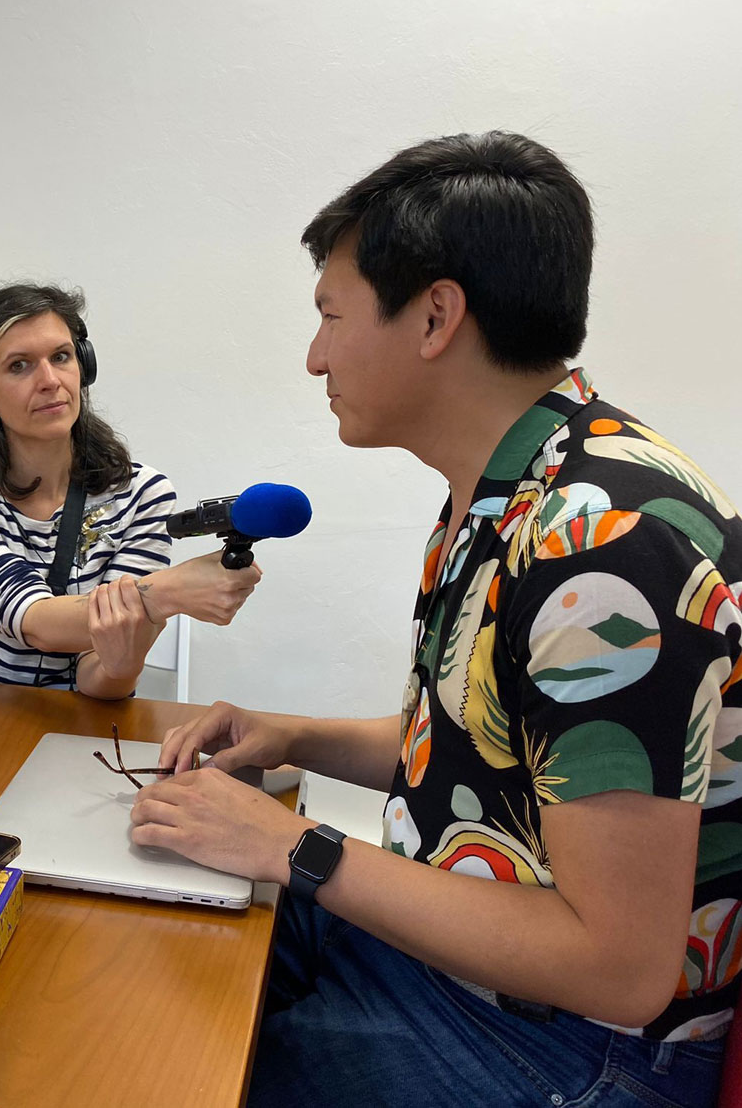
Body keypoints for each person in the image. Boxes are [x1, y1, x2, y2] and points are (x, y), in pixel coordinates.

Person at [131, 131, 740, 1107]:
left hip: (566, 1047)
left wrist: (296, 847)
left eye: (332, 315)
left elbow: (615, 965)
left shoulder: (602, 552)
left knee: (153, 1073)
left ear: (435, 317)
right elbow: (481, 757)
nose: (314, 355)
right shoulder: (513, 486)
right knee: (135, 946)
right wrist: (293, 737)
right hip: (458, 967)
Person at [0, 283, 262, 698]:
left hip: (94, 725)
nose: (50, 381)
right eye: (19, 366)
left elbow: (100, 677)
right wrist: (170, 592)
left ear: (83, 365)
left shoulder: (143, 493)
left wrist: (121, 661)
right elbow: (33, 620)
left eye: (61, 357)